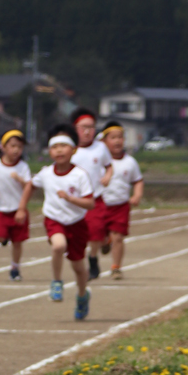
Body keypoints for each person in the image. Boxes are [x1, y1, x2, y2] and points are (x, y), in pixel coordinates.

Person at [19, 123, 95, 320]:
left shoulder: (80, 175)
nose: (59, 150)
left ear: (74, 150)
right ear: (50, 151)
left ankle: (82, 295)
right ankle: (56, 282)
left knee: (79, 268)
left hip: (77, 223)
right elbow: (30, 185)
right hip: (54, 220)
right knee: (58, 246)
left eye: (64, 146)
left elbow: (90, 203)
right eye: (54, 147)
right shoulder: (45, 173)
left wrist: (71, 199)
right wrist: (21, 208)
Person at [0, 130, 32, 281]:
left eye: (19, 147)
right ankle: (3, 238)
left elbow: (28, 186)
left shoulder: (23, 166)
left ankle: (15, 268)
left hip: (17, 209)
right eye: (13, 146)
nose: (16, 150)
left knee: (17, 242)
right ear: (3, 147)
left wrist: (20, 180)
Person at [70, 108, 113, 280]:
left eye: (91, 127)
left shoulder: (100, 148)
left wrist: (107, 176)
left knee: (95, 231)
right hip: (75, 200)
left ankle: (93, 259)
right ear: (75, 128)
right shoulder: (70, 149)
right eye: (83, 127)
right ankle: (83, 260)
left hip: (95, 198)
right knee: (78, 235)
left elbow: (109, 165)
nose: (87, 131)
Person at [99, 121, 144, 279]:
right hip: (100, 205)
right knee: (98, 236)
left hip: (121, 205)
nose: (117, 141)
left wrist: (137, 195)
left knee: (119, 237)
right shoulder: (98, 162)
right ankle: (105, 241)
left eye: (120, 137)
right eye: (113, 138)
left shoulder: (130, 162)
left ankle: (116, 267)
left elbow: (137, 180)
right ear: (104, 141)